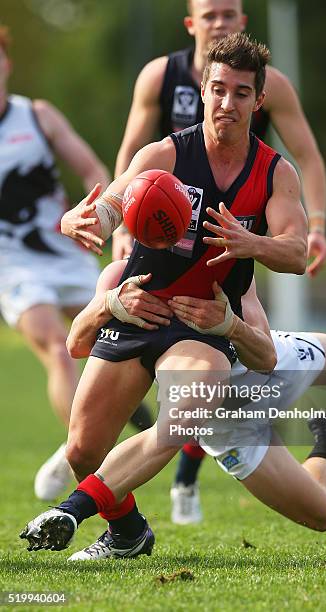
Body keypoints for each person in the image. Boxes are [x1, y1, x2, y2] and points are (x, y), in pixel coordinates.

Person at [33, 32, 310, 559]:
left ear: (259, 99)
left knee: (186, 407)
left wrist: (251, 243)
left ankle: (73, 510)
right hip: (139, 307)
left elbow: (295, 253)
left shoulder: (276, 173)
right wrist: (80, 218)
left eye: (242, 93)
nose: (228, 104)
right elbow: (113, 206)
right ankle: (128, 532)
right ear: (202, 90)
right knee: (81, 449)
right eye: (219, 89)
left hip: (202, 322)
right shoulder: (164, 155)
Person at [113, 0, 326, 521]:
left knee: (243, 342)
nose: (220, 23)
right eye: (210, 14)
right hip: (162, 237)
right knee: (103, 328)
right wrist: (122, 222)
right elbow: (131, 155)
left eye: (230, 13)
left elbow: (308, 154)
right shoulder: (160, 77)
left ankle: (193, 464)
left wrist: (313, 226)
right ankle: (100, 456)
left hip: (234, 238)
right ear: (191, 23)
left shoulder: (267, 83)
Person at [19, 258, 326, 557]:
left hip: (271, 368)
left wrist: (229, 325)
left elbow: (266, 355)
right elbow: (76, 343)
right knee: (323, 515)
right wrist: (107, 304)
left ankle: (105, 506)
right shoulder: (122, 277)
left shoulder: (227, 264)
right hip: (228, 425)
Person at [0, 26, 110, 501]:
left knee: (118, 336)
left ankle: (95, 430)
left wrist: (101, 215)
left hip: (67, 251)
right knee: (55, 342)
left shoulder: (37, 115)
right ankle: (85, 456)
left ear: (6, 63)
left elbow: (92, 170)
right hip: (10, 264)